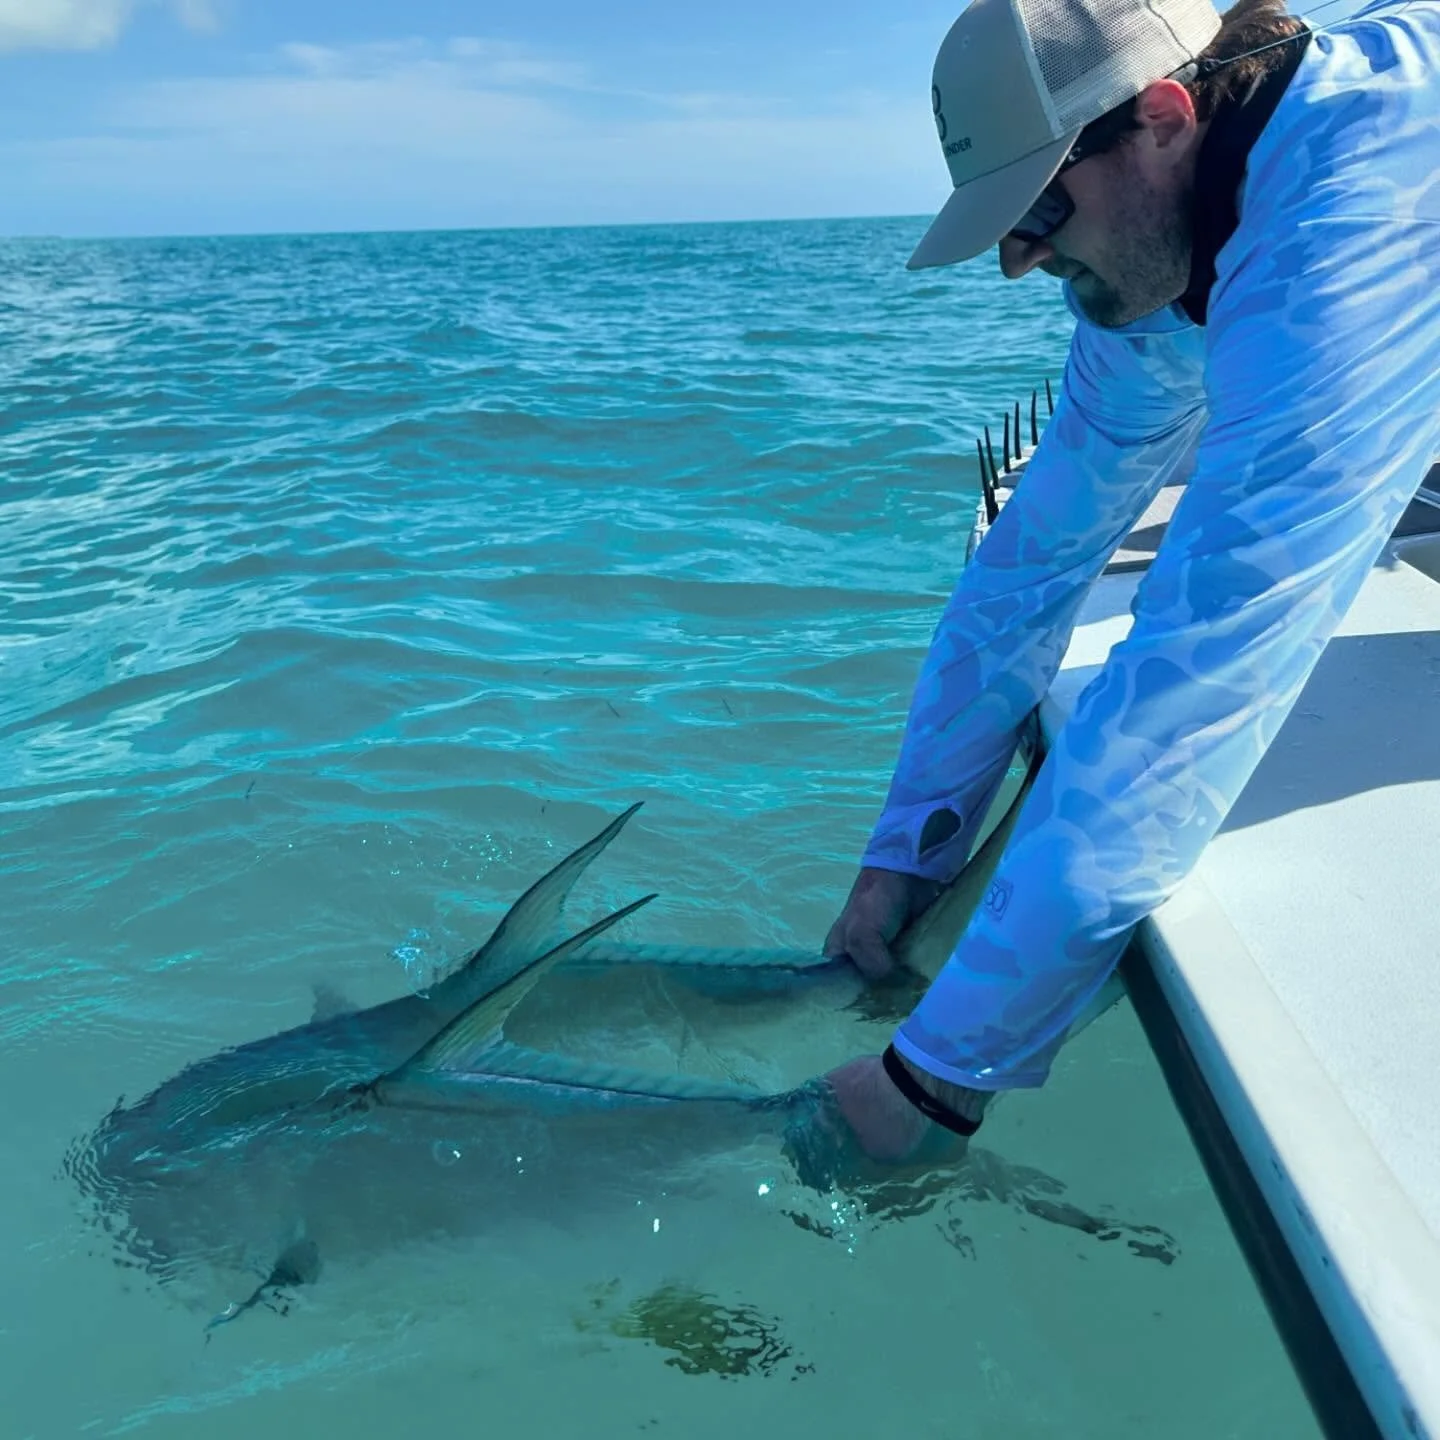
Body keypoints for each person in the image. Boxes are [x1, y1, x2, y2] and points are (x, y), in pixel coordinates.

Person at [818, 0, 1440, 1162]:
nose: (1019, 259)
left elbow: (1199, 675)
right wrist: (908, 852)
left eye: (1040, 209)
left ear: (1160, 117)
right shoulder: (1170, 256)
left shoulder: (1342, 241)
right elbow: (1028, 567)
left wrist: (934, 1079)